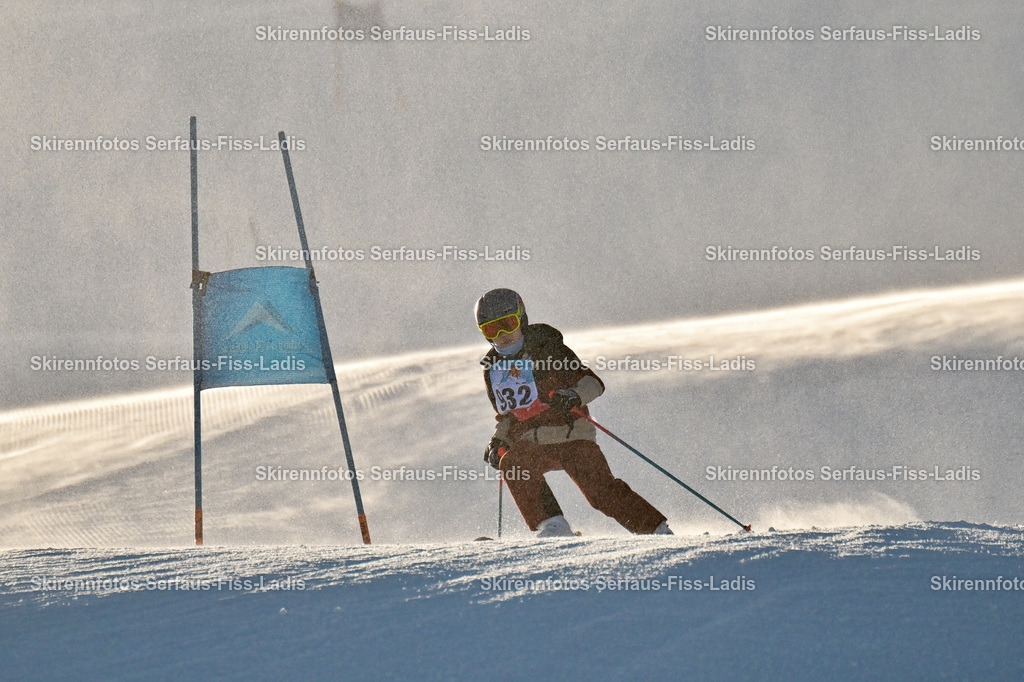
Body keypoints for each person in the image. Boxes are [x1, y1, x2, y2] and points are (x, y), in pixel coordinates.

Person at [476, 288, 672, 537]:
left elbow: (592, 383)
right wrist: (499, 440)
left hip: (571, 435)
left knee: (600, 492)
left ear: (521, 319)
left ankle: (656, 530)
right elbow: (508, 414)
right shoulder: (493, 368)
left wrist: (573, 395)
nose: (501, 336)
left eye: (507, 325)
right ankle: (554, 527)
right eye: (491, 330)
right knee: (513, 463)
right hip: (532, 441)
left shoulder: (548, 349)